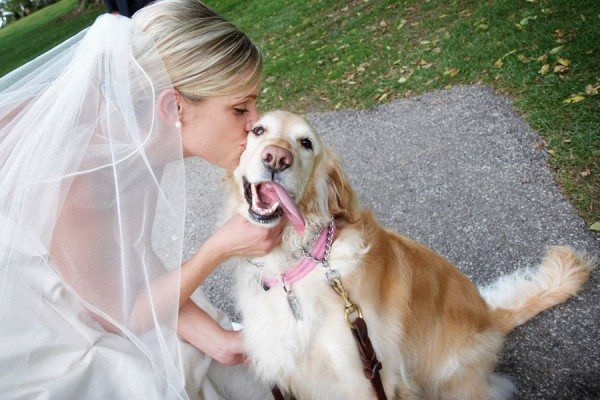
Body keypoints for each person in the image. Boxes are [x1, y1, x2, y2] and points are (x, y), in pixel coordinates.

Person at [0, 0, 282, 398]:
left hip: (87, 265)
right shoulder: (80, 173)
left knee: (212, 364)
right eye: (240, 108)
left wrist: (219, 341)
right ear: (174, 107)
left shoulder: (143, 133)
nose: (256, 123)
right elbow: (119, 313)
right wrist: (217, 249)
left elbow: (130, 255)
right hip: (21, 297)